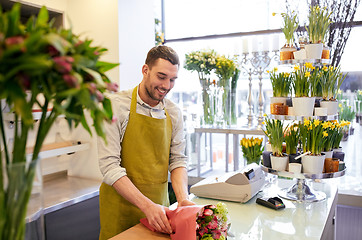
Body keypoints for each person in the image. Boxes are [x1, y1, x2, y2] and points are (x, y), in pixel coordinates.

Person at [97, 45, 194, 240]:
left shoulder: (174, 113)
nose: (167, 85)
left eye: (172, 79)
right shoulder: (115, 106)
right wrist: (147, 206)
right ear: (145, 70)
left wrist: (183, 199)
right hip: (120, 212)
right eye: (161, 76)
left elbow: (177, 160)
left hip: (160, 212)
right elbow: (109, 167)